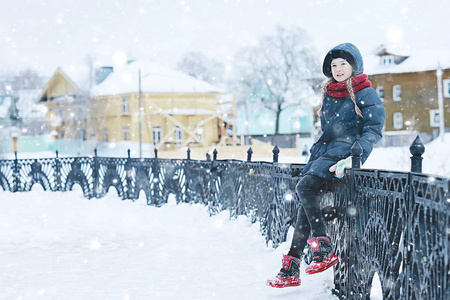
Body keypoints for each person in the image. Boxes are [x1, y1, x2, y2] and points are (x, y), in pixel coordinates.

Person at [267, 43, 386, 288]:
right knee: (305, 205)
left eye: (344, 63)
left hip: (344, 153)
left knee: (304, 188)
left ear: (355, 65)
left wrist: (354, 159)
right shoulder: (329, 92)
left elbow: (373, 130)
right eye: (334, 65)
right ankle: (292, 267)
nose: (338, 68)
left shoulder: (365, 92)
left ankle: (323, 246)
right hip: (325, 152)